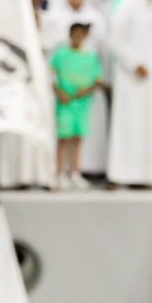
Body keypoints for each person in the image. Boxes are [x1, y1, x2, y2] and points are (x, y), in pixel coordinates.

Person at [108, 0, 152, 187]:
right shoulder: (127, 7)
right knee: (129, 125)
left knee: (147, 124)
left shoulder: (151, 9)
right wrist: (134, 64)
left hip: (149, 80)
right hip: (131, 79)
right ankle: (124, 173)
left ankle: (145, 175)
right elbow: (115, 41)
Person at [50, 22, 104, 189]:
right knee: (63, 138)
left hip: (82, 104)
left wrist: (86, 90)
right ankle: (60, 173)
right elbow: (50, 74)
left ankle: (75, 172)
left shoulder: (90, 56)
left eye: (81, 34)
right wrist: (59, 92)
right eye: (75, 34)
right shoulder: (60, 54)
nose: (78, 38)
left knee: (77, 139)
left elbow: (97, 80)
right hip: (65, 102)